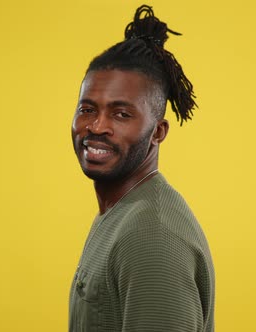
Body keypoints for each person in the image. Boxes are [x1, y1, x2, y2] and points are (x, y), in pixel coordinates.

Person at [69, 5, 215, 332]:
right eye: (87, 109)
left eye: (121, 114)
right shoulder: (122, 213)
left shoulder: (152, 237)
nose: (96, 126)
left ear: (158, 132)